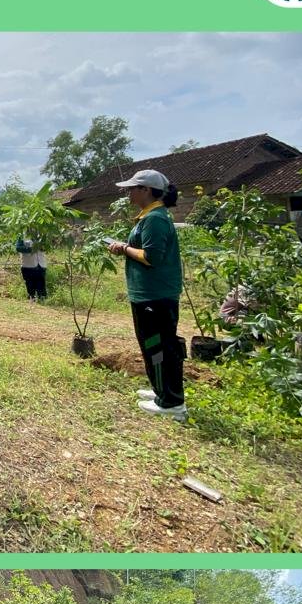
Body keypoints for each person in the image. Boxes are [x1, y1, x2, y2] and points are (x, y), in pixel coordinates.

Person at [107, 169, 186, 420]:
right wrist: (128, 248)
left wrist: (124, 248)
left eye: (132, 188)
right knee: (152, 345)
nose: (128, 193)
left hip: (155, 295)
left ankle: (172, 403)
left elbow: (151, 257)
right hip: (148, 295)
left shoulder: (155, 219)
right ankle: (160, 391)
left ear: (146, 190)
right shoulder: (149, 217)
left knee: (159, 346)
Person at [16, 235, 48, 300]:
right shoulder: (23, 236)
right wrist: (31, 249)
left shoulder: (42, 235)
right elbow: (18, 248)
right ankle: (32, 301)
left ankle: (42, 300)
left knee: (41, 287)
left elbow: (47, 247)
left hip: (41, 265)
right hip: (28, 266)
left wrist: (42, 247)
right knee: (30, 287)